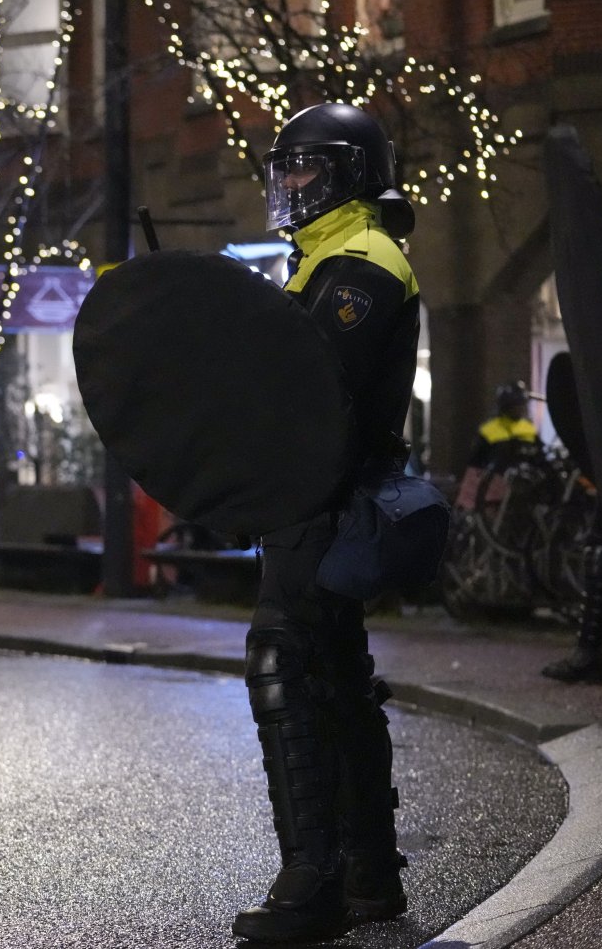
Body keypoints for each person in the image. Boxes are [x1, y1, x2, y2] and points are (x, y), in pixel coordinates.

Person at [231, 102, 422, 942]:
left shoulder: (361, 263)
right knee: (335, 681)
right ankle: (369, 877)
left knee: (288, 665)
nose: (292, 183)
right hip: (308, 499)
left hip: (327, 498)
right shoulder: (322, 258)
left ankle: (313, 883)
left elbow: (309, 389)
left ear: (349, 173)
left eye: (308, 168)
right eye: (286, 170)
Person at [467, 382, 541, 470]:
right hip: (497, 480)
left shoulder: (529, 429)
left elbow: (540, 459)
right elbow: (475, 464)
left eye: (521, 404)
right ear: (506, 406)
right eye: (515, 405)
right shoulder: (488, 430)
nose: (520, 409)